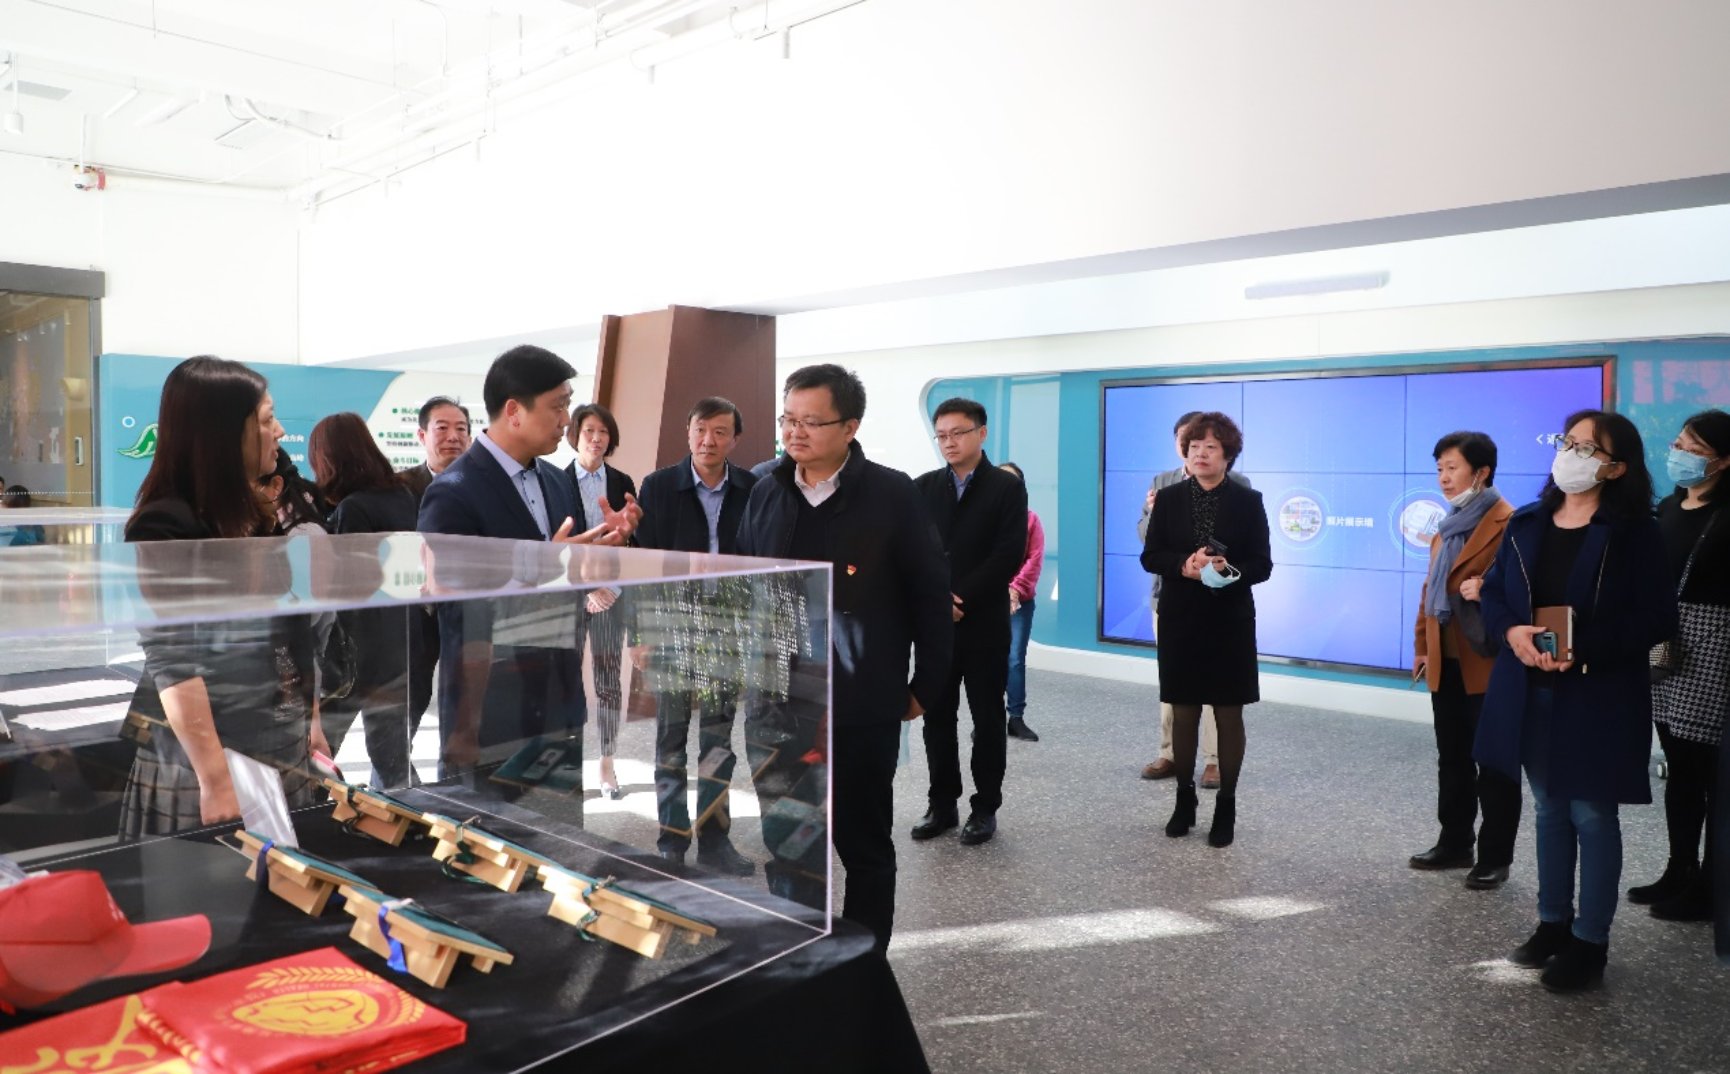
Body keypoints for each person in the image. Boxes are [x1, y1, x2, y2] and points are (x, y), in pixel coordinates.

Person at [735, 363, 951, 952]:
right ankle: (796, 957)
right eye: (787, 419)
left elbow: (931, 594)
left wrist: (925, 686)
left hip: (857, 701)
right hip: (777, 699)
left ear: (850, 427)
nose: (794, 432)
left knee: (863, 843)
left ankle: (864, 962)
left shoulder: (892, 494)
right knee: (787, 840)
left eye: (811, 421)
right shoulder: (765, 490)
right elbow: (745, 585)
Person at [1475, 409, 1676, 992]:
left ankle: (1590, 941)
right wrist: (1511, 631)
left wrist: (1585, 649)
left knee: (1591, 814)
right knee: (1548, 809)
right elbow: (1494, 592)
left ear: (1616, 467)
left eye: (1588, 448)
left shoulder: (1636, 533)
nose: (1571, 454)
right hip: (1530, 689)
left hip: (1599, 691)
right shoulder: (1528, 522)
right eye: (1569, 442)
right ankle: (1552, 923)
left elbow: (1657, 618)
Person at [119, 355, 325, 837]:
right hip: (211, 758)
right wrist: (214, 777)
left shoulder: (252, 512)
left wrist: (309, 720)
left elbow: (290, 632)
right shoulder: (164, 524)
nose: (279, 432)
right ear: (224, 434)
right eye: (268, 420)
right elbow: (173, 656)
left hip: (277, 736)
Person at [416, 345, 639, 780]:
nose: (566, 420)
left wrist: (607, 550)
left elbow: (571, 575)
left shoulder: (556, 482)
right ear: (514, 411)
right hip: (490, 711)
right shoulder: (453, 491)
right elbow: (453, 601)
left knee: (560, 822)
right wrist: (538, 572)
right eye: (558, 406)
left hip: (558, 699)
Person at [631, 397, 759, 874]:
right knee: (670, 739)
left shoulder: (751, 488)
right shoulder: (659, 486)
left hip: (726, 632)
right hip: (670, 629)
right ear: (688, 433)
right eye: (701, 430)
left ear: (735, 439)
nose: (709, 440)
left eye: (720, 431)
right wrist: (639, 632)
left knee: (717, 742)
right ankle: (671, 839)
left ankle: (715, 839)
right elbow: (641, 565)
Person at [1139, 411, 1271, 849]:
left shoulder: (1248, 501)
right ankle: (1184, 799)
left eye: (1210, 447)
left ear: (1228, 455)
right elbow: (1151, 556)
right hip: (1180, 617)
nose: (1200, 454)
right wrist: (1184, 565)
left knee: (1229, 713)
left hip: (1229, 620)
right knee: (1184, 711)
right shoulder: (1168, 497)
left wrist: (1226, 570)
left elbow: (1263, 564)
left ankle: (1226, 806)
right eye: (1193, 447)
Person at [911, 399, 1028, 847]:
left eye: (958, 433)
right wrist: (937, 601)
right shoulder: (923, 487)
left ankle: (985, 808)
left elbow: (1008, 553)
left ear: (981, 433)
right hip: (936, 626)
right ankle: (942, 804)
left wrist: (959, 598)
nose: (949, 442)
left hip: (984, 624)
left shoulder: (1005, 487)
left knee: (987, 718)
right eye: (942, 435)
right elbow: (914, 552)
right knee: (936, 718)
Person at [1409, 431, 1521, 889]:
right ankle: (1455, 841)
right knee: (1451, 758)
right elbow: (1429, 591)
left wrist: (1487, 589)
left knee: (1494, 763)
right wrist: (1422, 645)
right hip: (1446, 659)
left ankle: (1495, 856)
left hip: (1488, 661)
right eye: (1439, 468)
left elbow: (1524, 590)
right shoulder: (1447, 525)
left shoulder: (1510, 523)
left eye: (1452, 467)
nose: (1443, 477)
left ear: (1482, 472)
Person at [1635, 409, 1730, 921]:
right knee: (1678, 767)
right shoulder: (1669, 507)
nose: (1680, 455)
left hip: (1715, 647)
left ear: (1723, 461)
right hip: (1666, 643)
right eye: (1679, 444)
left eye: (1694, 449)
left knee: (1709, 773)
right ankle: (1679, 869)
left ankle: (1712, 886)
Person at [309, 412, 426, 789]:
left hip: (354, 654)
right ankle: (416, 815)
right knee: (391, 757)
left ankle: (307, 817)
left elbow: (346, 587)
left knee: (320, 751)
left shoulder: (353, 508)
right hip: (397, 643)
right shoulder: (403, 496)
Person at [564, 402, 638, 798]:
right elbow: (553, 547)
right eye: (589, 430)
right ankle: (568, 760)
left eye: (603, 432)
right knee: (566, 680)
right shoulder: (556, 481)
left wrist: (612, 589)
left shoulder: (623, 481)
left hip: (614, 596)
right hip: (572, 597)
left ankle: (607, 762)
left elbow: (633, 544)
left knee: (608, 681)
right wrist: (587, 589)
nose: (596, 438)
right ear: (575, 434)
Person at [1000, 462, 1043, 742]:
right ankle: (988, 717)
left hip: (1020, 603)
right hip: (986, 601)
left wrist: (1014, 590)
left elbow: (1034, 559)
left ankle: (1016, 718)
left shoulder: (1030, 520)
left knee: (1015, 660)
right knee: (987, 661)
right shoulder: (983, 518)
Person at [400, 396, 472, 504]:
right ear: (422, 436)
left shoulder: (487, 484)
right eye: (442, 428)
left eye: (460, 429)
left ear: (469, 440)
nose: (453, 437)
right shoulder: (401, 485)